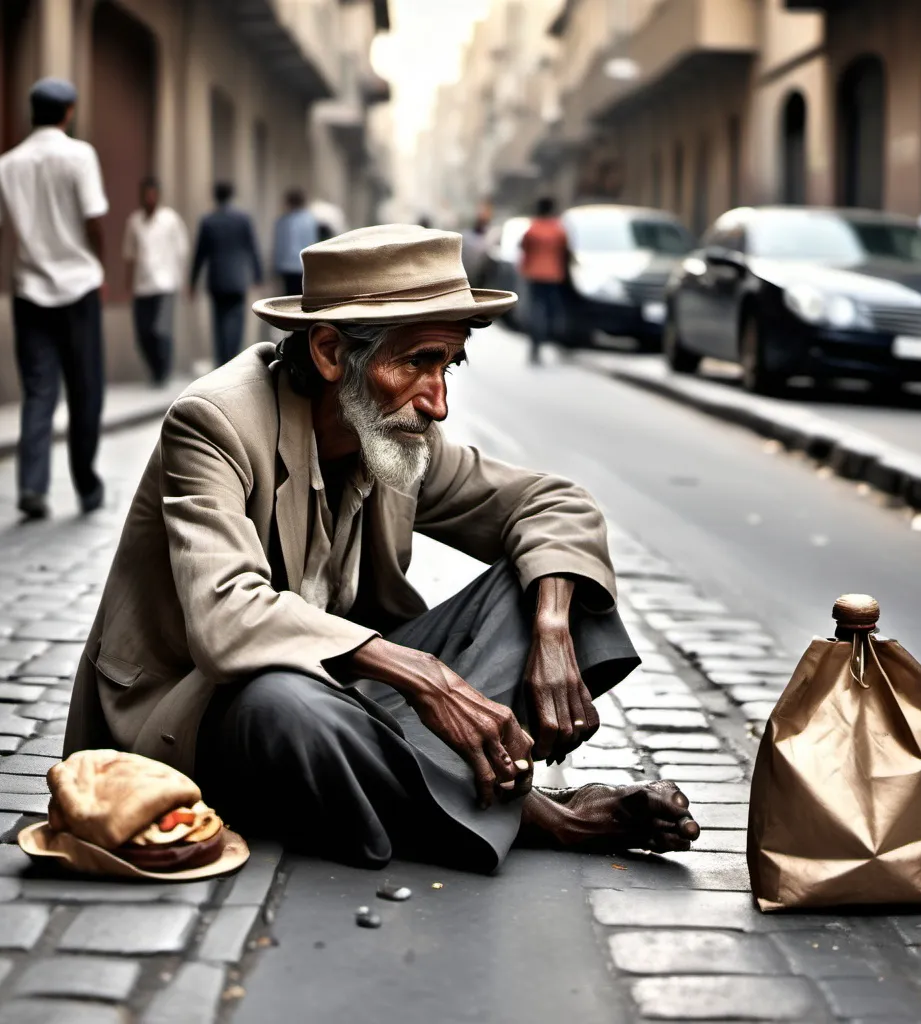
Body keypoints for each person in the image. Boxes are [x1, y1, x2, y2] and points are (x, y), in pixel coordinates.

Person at [64, 224, 701, 873]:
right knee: (284, 704)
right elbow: (226, 618)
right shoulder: (214, 423)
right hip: (203, 717)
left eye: (447, 366)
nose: (440, 402)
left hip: (348, 707)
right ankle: (544, 818)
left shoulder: (396, 438)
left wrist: (552, 624)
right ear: (331, 352)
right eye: (418, 363)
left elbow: (556, 506)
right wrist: (421, 675)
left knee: (551, 575)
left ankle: (418, 785)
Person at [0, 77, 107, 520]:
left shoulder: (7, 163)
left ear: (31, 113)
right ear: (68, 112)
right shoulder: (81, 155)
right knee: (85, 388)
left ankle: (32, 486)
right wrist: (99, 261)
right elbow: (94, 219)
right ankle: (87, 485)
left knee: (38, 390)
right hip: (77, 289)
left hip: (29, 292)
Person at [123, 177, 188, 384]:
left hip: (165, 285)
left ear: (158, 195)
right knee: (143, 334)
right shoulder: (134, 222)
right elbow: (129, 254)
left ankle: (163, 373)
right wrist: (128, 282)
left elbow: (181, 251)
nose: (149, 198)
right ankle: (154, 369)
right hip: (142, 287)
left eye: (153, 194)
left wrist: (182, 280)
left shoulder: (170, 220)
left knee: (161, 331)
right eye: (146, 194)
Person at [190, 182, 263, 366]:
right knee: (236, 322)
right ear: (232, 195)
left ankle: (222, 360)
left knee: (219, 322)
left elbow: (199, 254)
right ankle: (233, 358)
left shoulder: (208, 221)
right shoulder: (243, 219)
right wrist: (258, 275)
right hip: (238, 279)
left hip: (217, 280)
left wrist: (192, 282)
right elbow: (253, 248)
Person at [519, 197, 569, 364]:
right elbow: (566, 250)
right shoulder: (558, 229)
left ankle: (536, 343)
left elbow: (523, 247)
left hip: (534, 274)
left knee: (536, 309)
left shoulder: (533, 228)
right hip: (554, 275)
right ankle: (552, 339)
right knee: (551, 309)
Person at [272, 188, 319, 297]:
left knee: (289, 298)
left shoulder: (282, 221)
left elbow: (279, 246)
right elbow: (313, 243)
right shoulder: (310, 220)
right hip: (305, 265)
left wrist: (275, 266)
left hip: (287, 266)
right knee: (303, 297)